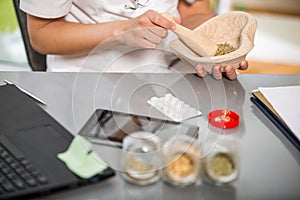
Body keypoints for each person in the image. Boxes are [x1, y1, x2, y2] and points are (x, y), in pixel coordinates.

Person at [20, 0, 248, 79]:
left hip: (173, 73)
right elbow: (42, 34)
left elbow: (195, 11)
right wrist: (120, 31)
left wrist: (210, 46)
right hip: (89, 76)